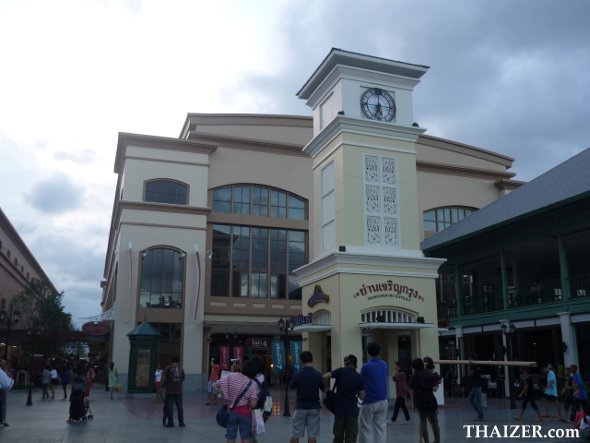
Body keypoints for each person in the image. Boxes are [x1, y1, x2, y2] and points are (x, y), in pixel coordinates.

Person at [323, 354, 365, 443]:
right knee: (351, 439)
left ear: (346, 363)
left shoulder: (340, 371)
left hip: (339, 411)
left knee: (338, 438)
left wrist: (327, 388)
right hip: (352, 412)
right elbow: (362, 396)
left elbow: (324, 376)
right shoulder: (359, 377)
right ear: (355, 364)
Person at [215, 359, 260, 443]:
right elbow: (253, 405)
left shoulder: (232, 376)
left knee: (230, 437)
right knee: (245, 438)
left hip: (231, 412)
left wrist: (225, 394)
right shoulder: (252, 384)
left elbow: (215, 385)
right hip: (245, 415)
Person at [289, 351, 325, 443]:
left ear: (301, 360)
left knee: (295, 433)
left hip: (300, 406)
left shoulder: (297, 374)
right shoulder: (318, 374)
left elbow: (292, 386)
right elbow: (323, 388)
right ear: (312, 359)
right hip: (314, 407)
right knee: (312, 434)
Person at [359, 342, 388, 443]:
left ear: (368, 352)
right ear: (379, 351)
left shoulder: (366, 367)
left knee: (365, 427)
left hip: (370, 400)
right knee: (380, 427)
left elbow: (360, 381)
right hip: (383, 400)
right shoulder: (384, 364)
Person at [409, 358, 440, 443]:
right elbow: (435, 389)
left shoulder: (414, 377)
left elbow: (411, 390)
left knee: (423, 423)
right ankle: (437, 441)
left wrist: (413, 403)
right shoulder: (430, 374)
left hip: (420, 401)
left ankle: (426, 441)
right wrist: (436, 384)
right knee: (435, 422)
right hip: (431, 400)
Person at [162, 356, 185, 427]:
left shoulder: (168, 368)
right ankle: (181, 422)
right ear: (178, 362)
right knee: (180, 407)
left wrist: (162, 385)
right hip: (179, 391)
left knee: (169, 407)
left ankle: (170, 422)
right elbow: (183, 378)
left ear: (172, 361)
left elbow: (163, 376)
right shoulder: (181, 369)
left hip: (170, 391)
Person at [467, 354, 484, 421]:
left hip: (477, 386)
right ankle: (480, 414)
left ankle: (480, 415)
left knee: (478, 401)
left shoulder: (474, 366)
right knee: (471, 400)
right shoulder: (476, 365)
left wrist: (468, 365)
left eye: (469, 358)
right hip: (475, 386)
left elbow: (469, 373)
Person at [0, 358, 14, 427]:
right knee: (3, 403)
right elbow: (7, 382)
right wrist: (4, 366)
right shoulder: (1, 371)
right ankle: (3, 420)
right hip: (2, 388)